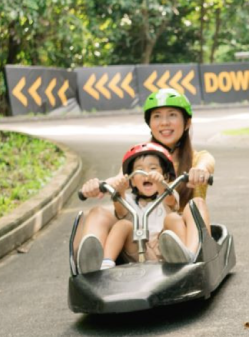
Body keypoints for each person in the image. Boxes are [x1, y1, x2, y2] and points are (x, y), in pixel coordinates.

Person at [74, 88, 215, 273]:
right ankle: (91, 267)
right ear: (150, 123)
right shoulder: (138, 159)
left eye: (172, 115)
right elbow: (118, 179)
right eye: (157, 116)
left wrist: (199, 172)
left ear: (187, 122)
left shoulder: (199, 158)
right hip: (140, 237)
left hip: (177, 232)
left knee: (196, 204)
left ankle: (191, 256)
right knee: (97, 212)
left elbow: (206, 165)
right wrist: (97, 186)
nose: (164, 122)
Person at [93, 142, 189, 269]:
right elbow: (120, 211)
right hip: (137, 251)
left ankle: (185, 256)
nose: (146, 174)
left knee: (174, 218)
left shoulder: (166, 195)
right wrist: (120, 191)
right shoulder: (127, 200)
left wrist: (160, 183)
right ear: (132, 180)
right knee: (123, 224)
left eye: (153, 168)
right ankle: (106, 262)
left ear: (165, 176)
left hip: (165, 250)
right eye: (140, 170)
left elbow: (170, 200)